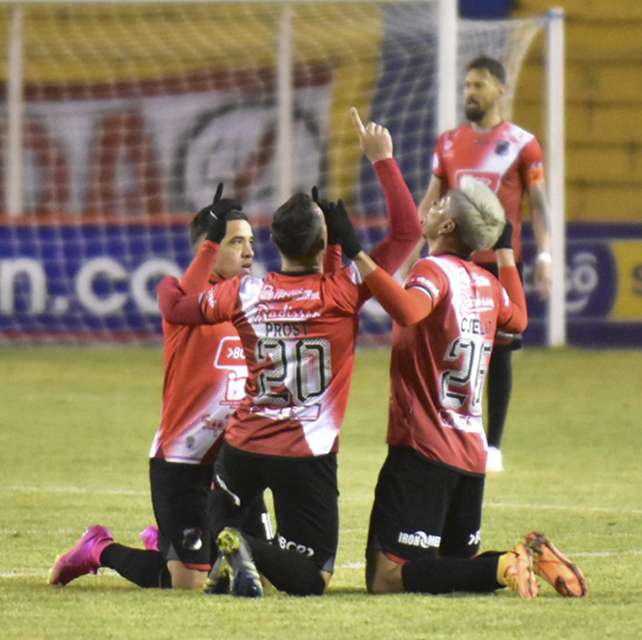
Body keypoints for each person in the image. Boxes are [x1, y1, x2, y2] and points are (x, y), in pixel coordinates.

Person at [156, 108, 422, 597]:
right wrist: (382, 161)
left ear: (273, 241)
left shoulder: (245, 293)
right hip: (306, 453)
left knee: (222, 528)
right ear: (326, 240)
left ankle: (232, 544)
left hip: (243, 449)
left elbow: (175, 307)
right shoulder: (345, 290)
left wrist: (210, 240)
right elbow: (407, 234)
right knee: (312, 579)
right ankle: (249, 548)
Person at [347, 174, 588, 599]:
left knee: (386, 578)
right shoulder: (486, 283)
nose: (432, 207)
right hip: (470, 456)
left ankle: (504, 565)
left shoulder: (433, 270)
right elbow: (520, 320)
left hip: (423, 450)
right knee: (449, 570)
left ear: (448, 228)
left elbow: (406, 309)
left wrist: (356, 253)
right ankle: (531, 555)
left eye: (440, 207)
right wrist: (506, 252)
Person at [48, 188, 271, 591]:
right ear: (209, 247)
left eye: (251, 242)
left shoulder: (253, 301)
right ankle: (99, 548)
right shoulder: (179, 295)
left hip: (238, 463)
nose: (248, 251)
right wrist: (209, 244)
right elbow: (185, 299)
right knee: (188, 584)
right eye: (235, 241)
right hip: (184, 460)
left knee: (268, 577)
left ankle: (165, 541)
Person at [413, 56, 554, 472]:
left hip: (501, 263)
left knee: (501, 352)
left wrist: (544, 255)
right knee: (453, 349)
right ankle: (449, 431)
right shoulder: (449, 142)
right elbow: (432, 197)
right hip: (455, 263)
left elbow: (540, 206)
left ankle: (492, 445)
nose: (469, 93)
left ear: (500, 89)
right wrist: (416, 248)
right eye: (466, 86)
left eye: (478, 85)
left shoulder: (523, 143)